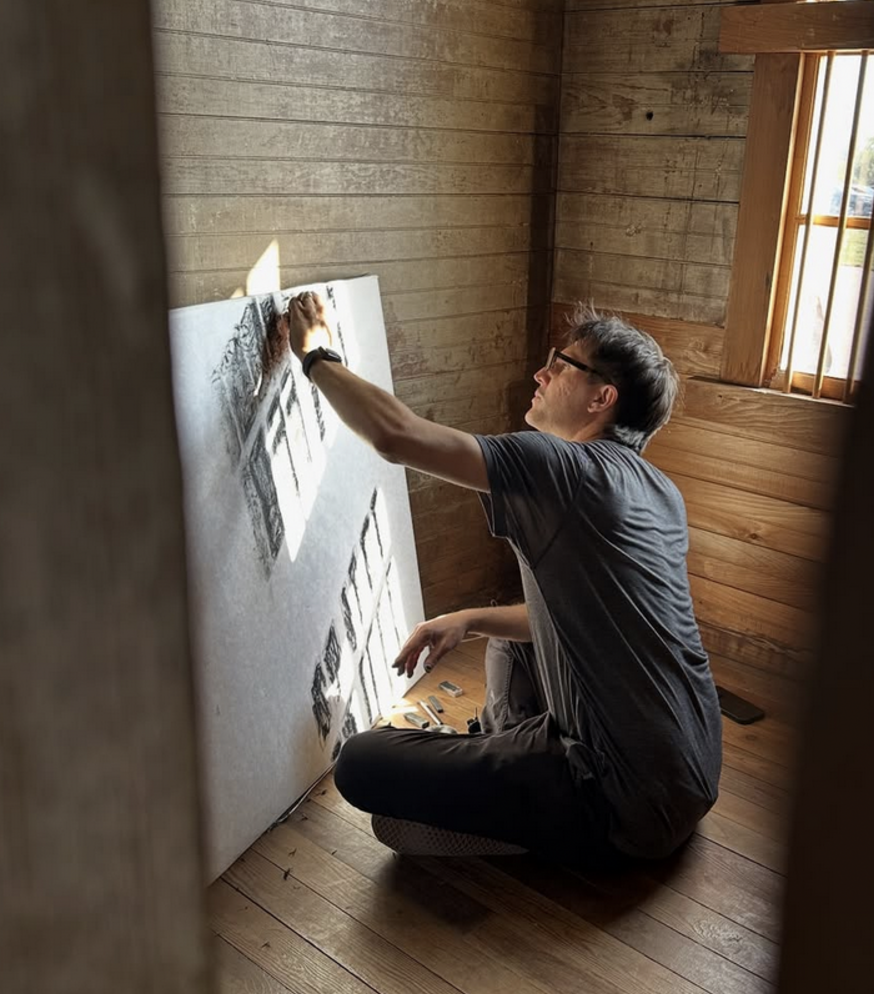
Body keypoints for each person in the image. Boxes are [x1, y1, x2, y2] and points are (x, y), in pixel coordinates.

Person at [286, 290, 722, 862]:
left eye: (562, 364)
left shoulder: (562, 465)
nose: (541, 372)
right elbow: (582, 617)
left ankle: (521, 795)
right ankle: (506, 765)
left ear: (602, 398)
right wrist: (463, 619)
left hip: (621, 801)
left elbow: (397, 436)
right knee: (504, 645)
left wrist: (318, 356)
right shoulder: (658, 489)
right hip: (691, 770)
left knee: (362, 763)